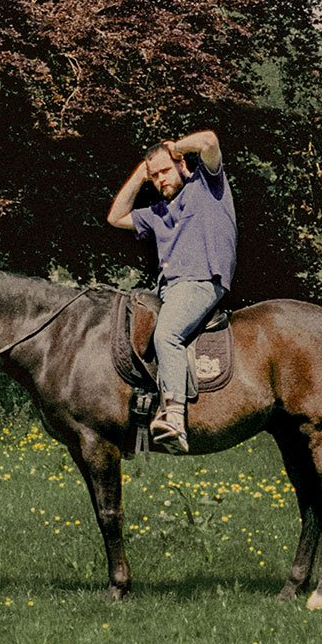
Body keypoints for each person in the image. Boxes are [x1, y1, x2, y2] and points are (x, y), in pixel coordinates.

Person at [105, 129, 235, 453]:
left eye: (164, 171)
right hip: (169, 289)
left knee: (167, 335)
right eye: (155, 176)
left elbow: (208, 141)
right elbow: (115, 216)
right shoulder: (158, 214)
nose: (160, 179)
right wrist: (140, 174)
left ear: (181, 165)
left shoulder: (207, 184)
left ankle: (175, 417)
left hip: (203, 281)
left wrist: (173, 149)